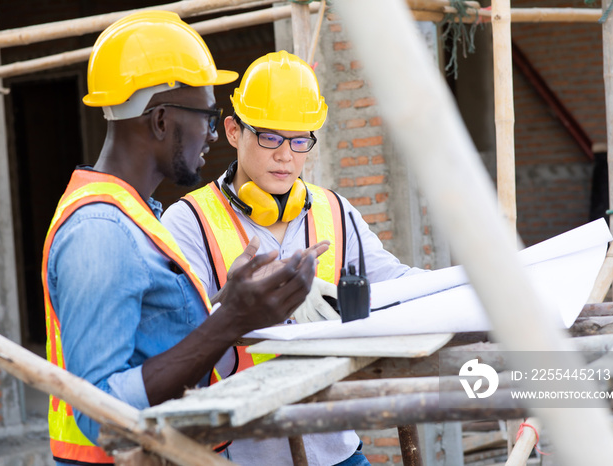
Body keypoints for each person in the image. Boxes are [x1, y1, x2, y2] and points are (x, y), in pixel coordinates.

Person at [42, 13, 318, 465]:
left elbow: (149, 339)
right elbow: (101, 412)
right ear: (161, 121)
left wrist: (226, 305)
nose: (213, 133)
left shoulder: (135, 216)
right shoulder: (100, 232)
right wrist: (228, 322)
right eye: (208, 117)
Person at [162, 51, 422, 466]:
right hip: (241, 453)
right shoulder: (188, 221)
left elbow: (400, 285)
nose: (286, 156)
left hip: (337, 447)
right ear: (233, 130)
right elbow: (177, 344)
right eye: (270, 137)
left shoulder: (334, 210)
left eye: (301, 140)